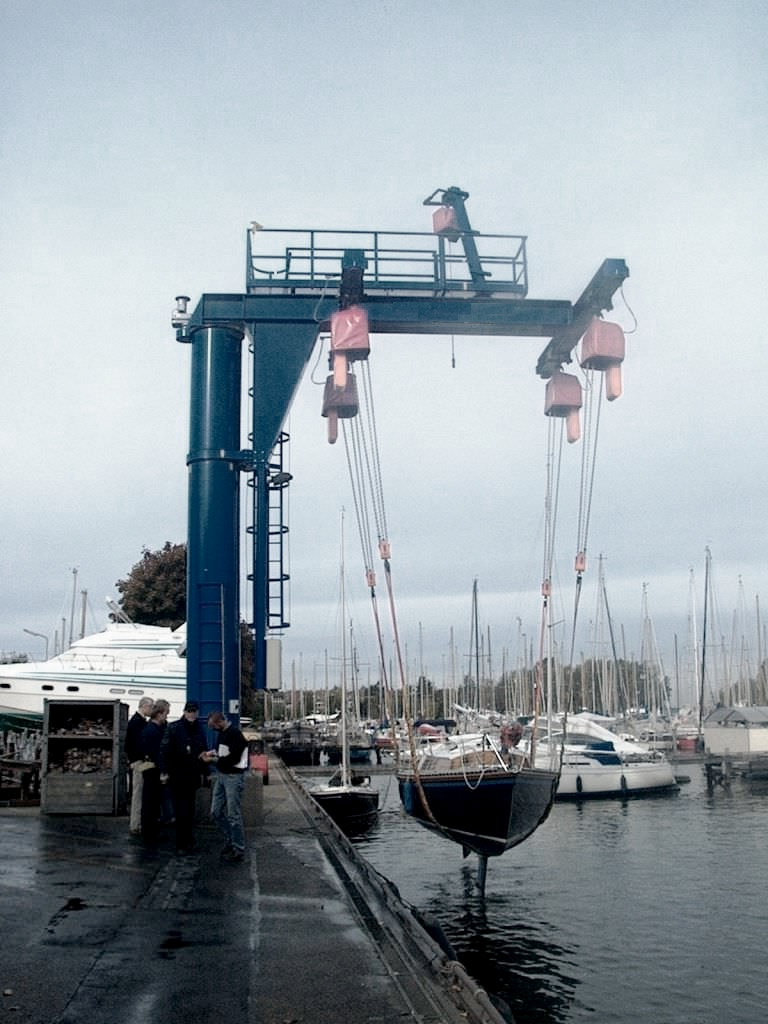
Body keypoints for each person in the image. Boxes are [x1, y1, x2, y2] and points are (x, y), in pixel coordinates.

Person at [159, 701, 208, 853]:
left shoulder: (197, 728)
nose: (192, 714)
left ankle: (187, 840)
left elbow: (203, 750)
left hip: (191, 774)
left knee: (189, 810)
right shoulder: (174, 728)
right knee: (181, 811)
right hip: (178, 774)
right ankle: (182, 843)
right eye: (189, 711)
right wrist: (164, 771)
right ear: (185, 712)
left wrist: (206, 773)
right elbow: (164, 751)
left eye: (194, 711)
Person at [203, 711, 248, 862]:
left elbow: (235, 758)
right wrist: (212, 753)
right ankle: (232, 839)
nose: (213, 729)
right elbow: (222, 752)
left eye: (213, 726)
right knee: (215, 812)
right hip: (223, 775)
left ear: (220, 722)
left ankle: (238, 848)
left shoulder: (235, 735)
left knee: (233, 814)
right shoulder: (223, 733)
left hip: (233, 777)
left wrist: (214, 760)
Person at [139, 699, 170, 847]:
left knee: (150, 802)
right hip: (154, 769)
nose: (166, 717)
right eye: (165, 713)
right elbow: (158, 752)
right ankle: (150, 833)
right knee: (151, 802)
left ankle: (149, 832)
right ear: (159, 714)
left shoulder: (149, 729)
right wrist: (163, 770)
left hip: (149, 768)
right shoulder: (154, 731)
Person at [125, 697, 154, 835]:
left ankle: (137, 823)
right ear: (144, 706)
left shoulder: (136, 721)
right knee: (138, 792)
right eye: (151, 707)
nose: (152, 710)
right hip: (139, 762)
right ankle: (135, 824)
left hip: (136, 761)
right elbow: (138, 745)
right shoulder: (138, 722)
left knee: (138, 791)